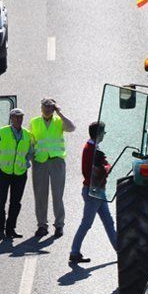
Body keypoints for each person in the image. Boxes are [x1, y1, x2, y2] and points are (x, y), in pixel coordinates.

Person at [69, 122, 117, 263]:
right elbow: (99, 170)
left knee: (108, 222)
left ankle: (120, 250)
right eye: (103, 132)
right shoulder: (92, 149)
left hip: (97, 191)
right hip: (94, 191)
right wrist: (108, 167)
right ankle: (74, 252)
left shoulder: (91, 147)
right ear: (98, 134)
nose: (104, 135)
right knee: (87, 223)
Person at [29, 99, 75, 238]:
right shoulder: (34, 122)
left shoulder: (59, 121)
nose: (48, 110)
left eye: (50, 107)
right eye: (45, 107)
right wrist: (32, 158)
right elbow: (31, 141)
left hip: (56, 161)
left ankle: (59, 225)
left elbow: (72, 128)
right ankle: (42, 225)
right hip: (40, 161)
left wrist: (60, 113)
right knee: (40, 196)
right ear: (41, 107)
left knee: (57, 195)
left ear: (54, 108)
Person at [0, 108, 35, 240]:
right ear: (11, 118)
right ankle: (0, 229)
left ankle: (11, 229)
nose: (19, 119)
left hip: (20, 173)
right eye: (16, 117)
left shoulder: (27, 134)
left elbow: (30, 151)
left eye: (21, 117)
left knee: (16, 202)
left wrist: (26, 163)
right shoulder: (2, 132)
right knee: (1, 201)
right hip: (5, 171)